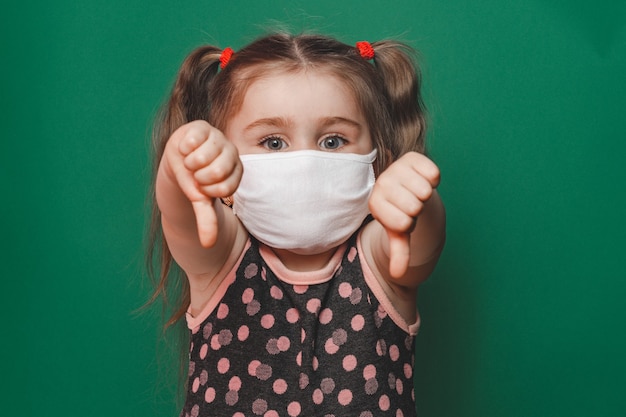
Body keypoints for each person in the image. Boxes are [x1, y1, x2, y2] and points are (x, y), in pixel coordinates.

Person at [148, 32, 446, 417]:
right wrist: (179, 164)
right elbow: (184, 216)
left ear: (377, 164)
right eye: (273, 142)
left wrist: (417, 200)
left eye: (333, 141)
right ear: (219, 166)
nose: (305, 162)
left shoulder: (380, 259)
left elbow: (420, 242)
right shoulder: (220, 259)